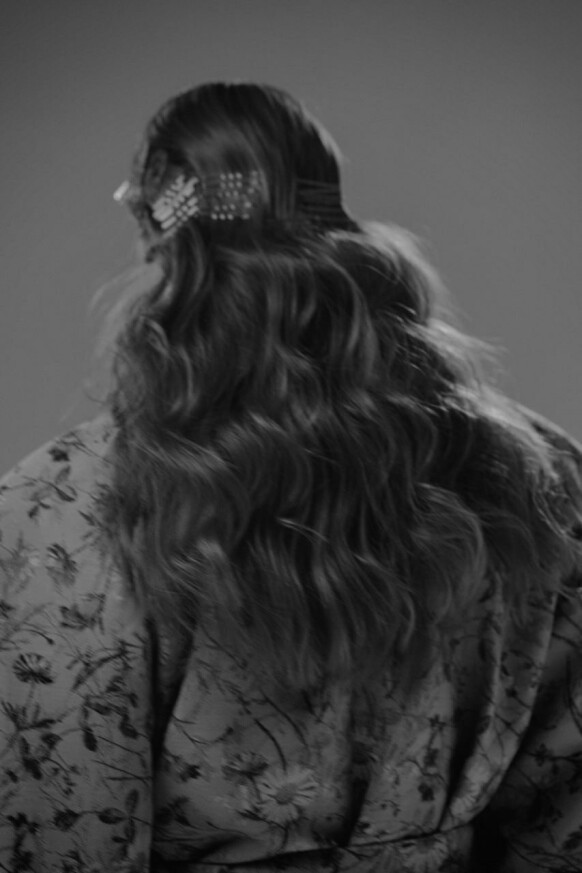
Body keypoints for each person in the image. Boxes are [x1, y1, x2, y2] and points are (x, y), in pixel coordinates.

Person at [0, 82, 581, 873]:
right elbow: (565, 806)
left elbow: (60, 824)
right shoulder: (541, 473)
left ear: (156, 229)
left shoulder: (59, 512)